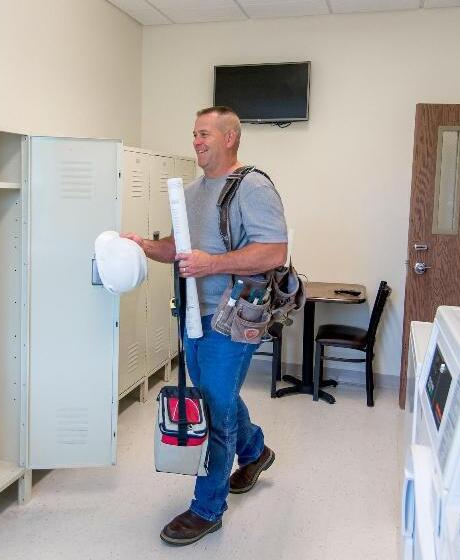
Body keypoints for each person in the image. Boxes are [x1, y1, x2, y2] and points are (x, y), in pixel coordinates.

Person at [123, 106, 288, 546]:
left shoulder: (252, 186)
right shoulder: (193, 192)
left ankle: (207, 508)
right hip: (193, 315)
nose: (196, 141)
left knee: (214, 409)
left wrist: (211, 264)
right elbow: (179, 249)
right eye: (194, 134)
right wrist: (143, 246)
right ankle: (255, 451)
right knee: (216, 395)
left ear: (230, 138)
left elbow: (274, 252)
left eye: (204, 134)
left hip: (233, 320)